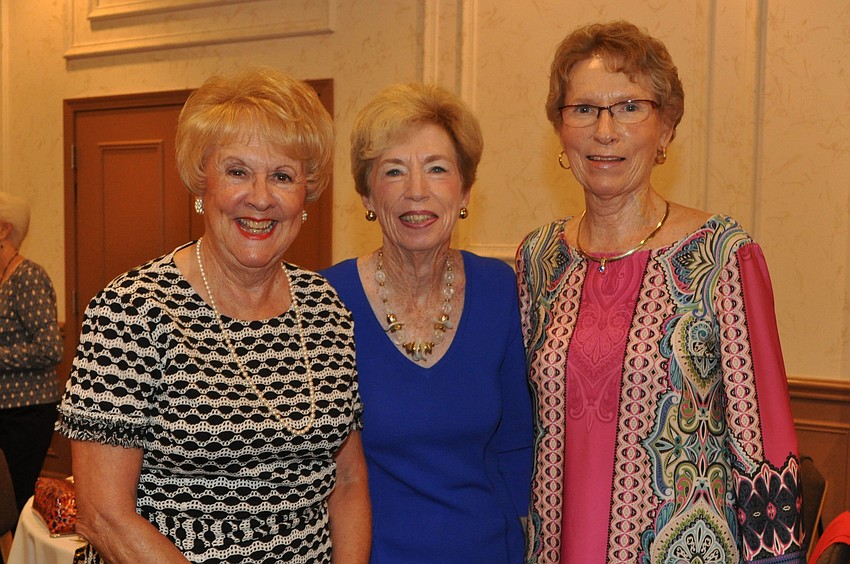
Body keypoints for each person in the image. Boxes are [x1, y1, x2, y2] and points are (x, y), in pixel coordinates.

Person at [516, 21, 805, 563]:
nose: (605, 131)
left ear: (666, 128)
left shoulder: (722, 254)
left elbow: (764, 442)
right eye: (583, 110)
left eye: (629, 107)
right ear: (560, 130)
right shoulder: (538, 259)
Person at [57, 67, 370, 563]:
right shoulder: (132, 311)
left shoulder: (326, 309)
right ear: (202, 182)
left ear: (305, 195)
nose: (261, 197)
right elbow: (103, 514)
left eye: (283, 176)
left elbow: (349, 480)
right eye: (238, 171)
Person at [322, 83, 532, 563]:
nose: (417, 190)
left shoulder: (502, 289)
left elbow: (517, 448)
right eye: (394, 171)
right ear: (368, 195)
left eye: (437, 169)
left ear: (464, 190)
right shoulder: (323, 300)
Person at [0, 192, 63, 513]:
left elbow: (50, 349)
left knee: (13, 502)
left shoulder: (29, 277)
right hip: (6, 411)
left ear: (4, 230)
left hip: (26, 412)